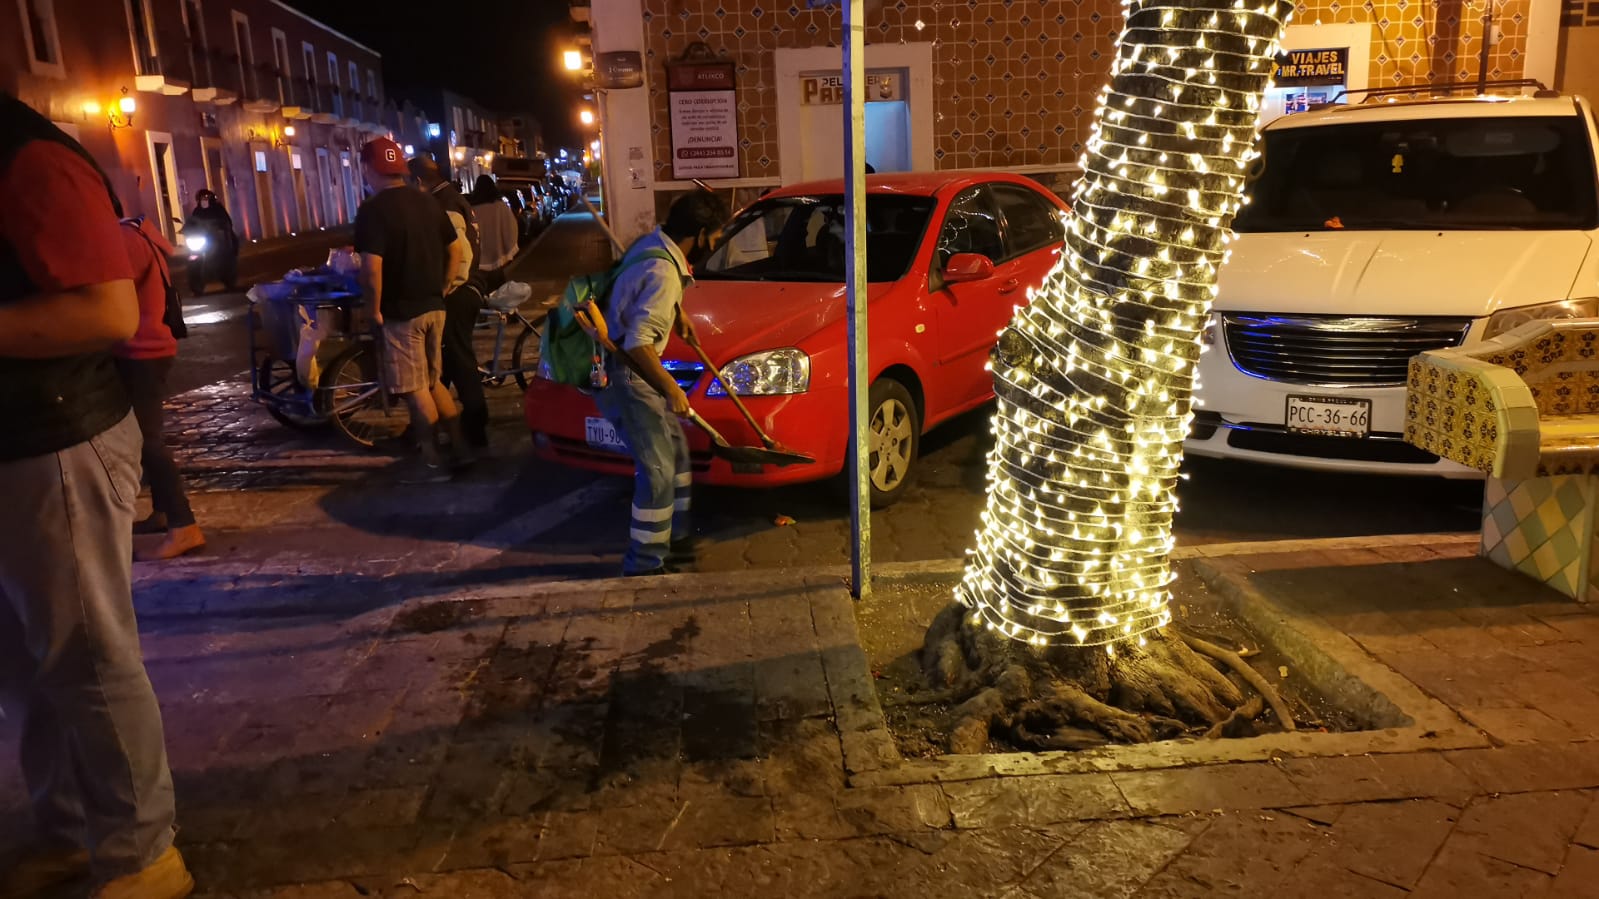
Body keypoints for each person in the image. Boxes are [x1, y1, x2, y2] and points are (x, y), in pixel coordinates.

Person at [0, 93, 192, 898]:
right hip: (19, 442)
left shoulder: (26, 158)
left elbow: (109, 308)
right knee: (21, 666)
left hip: (56, 441)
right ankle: (69, 830)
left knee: (86, 657)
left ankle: (144, 854)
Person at [590, 191, 727, 577]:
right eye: (714, 239)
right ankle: (646, 563)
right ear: (699, 235)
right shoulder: (666, 272)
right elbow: (638, 343)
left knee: (678, 454)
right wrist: (672, 389)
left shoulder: (654, 243)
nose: (713, 246)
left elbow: (640, 286)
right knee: (658, 471)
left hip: (634, 367)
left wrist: (677, 311)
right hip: (626, 373)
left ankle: (675, 541)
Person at [354, 137, 466, 482]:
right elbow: (457, 251)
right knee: (434, 381)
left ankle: (431, 461)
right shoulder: (427, 202)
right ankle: (461, 450)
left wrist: (372, 310)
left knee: (415, 388)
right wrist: (444, 286)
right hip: (435, 306)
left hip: (402, 313)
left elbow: (372, 268)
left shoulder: (373, 210)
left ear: (370, 169)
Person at [116, 216, 205, 561]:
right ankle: (164, 513)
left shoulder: (123, 239)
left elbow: (113, 291)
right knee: (146, 435)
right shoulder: (139, 233)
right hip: (151, 346)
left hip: (139, 350)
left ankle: (184, 526)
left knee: (146, 440)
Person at [408, 154, 490, 452]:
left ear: (417, 181)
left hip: (459, 292)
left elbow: (461, 255)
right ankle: (439, 423)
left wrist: (445, 288)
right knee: (445, 360)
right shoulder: (453, 199)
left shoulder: (443, 205)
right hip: (466, 288)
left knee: (460, 361)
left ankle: (475, 428)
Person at [468, 175, 520, 289]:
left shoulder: (471, 208)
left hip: (477, 261)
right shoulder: (500, 207)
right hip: (497, 259)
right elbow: (511, 228)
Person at [184, 189, 237, 295]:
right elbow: (191, 223)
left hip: (217, 240)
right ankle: (196, 285)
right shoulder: (197, 211)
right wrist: (186, 228)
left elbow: (227, 222)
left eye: (206, 198)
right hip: (202, 239)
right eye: (202, 198)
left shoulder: (218, 209)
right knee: (192, 257)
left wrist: (221, 227)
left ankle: (228, 279)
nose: (204, 200)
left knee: (229, 249)